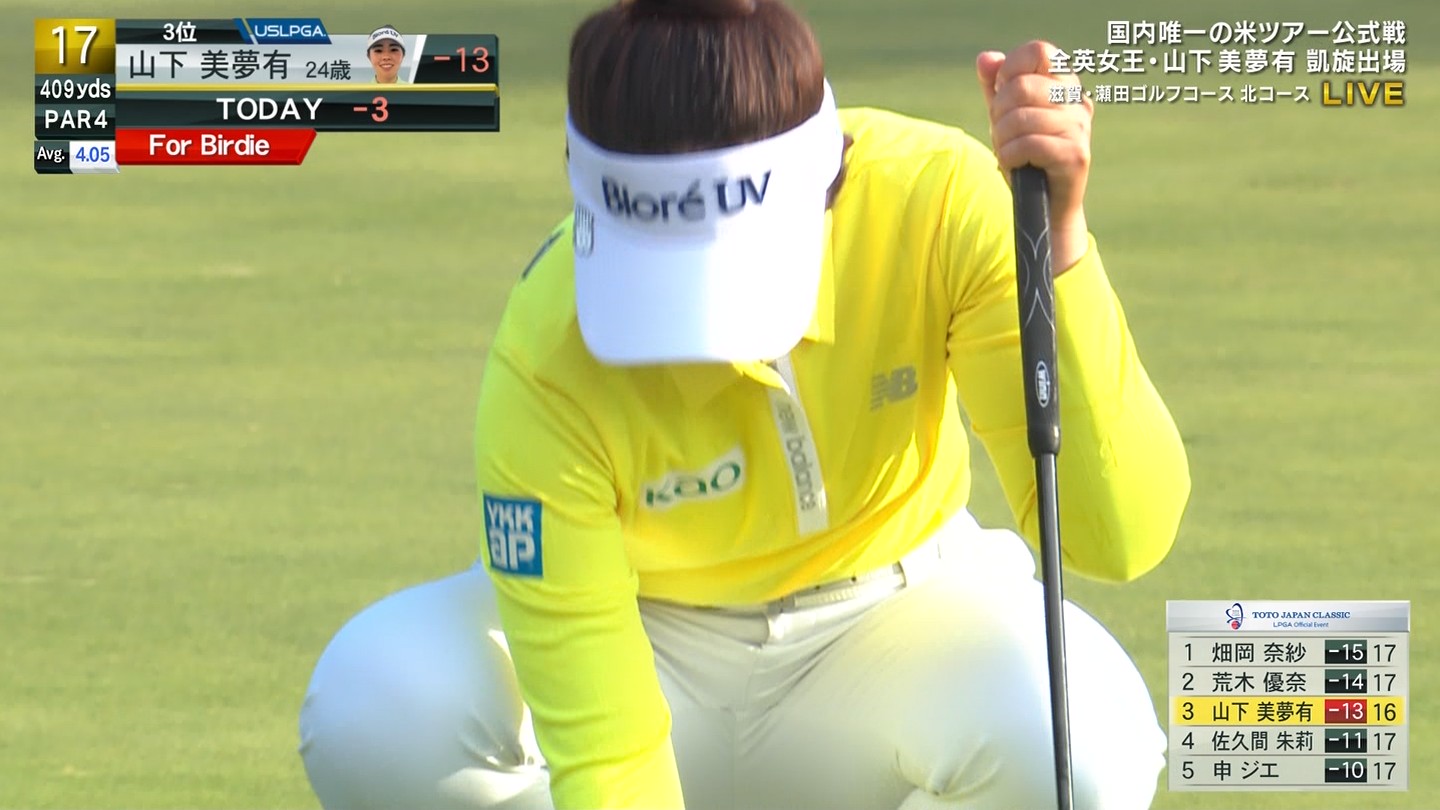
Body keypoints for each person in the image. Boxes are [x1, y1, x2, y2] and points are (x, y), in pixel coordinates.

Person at [298, 0, 1192, 808]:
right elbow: (608, 755)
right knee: (376, 706)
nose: (710, 331)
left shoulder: (937, 200)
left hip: (902, 626)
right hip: (648, 638)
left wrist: (1057, 239)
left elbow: (1119, 535)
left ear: (830, 178)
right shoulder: (547, 346)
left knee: (1082, 741)